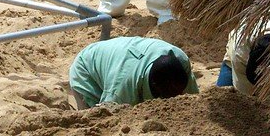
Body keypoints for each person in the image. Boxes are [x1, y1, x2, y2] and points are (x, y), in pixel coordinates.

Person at [68, 36, 197, 107]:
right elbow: (105, 116)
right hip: (86, 69)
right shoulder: (121, 89)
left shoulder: (181, 60)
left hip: (117, 57)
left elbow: (193, 101)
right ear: (154, 87)